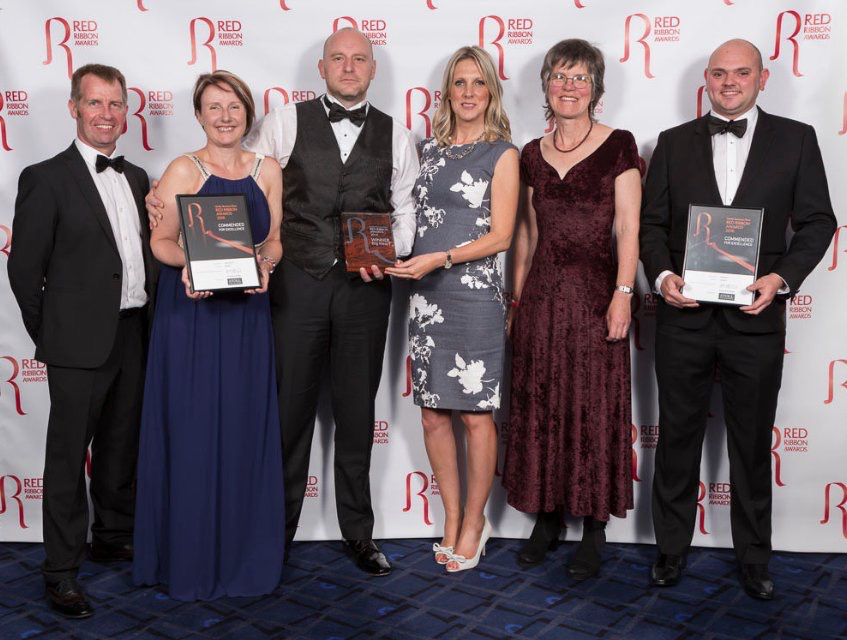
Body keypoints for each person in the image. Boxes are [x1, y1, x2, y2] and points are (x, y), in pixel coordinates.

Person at [148, 28, 419, 575]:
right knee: (288, 413)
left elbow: (404, 210)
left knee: (357, 414)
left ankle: (360, 534)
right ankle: (275, 529)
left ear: (373, 70)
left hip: (366, 292)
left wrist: (390, 254)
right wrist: (171, 209)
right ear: (321, 68)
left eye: (359, 60)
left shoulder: (398, 136)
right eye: (338, 59)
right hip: (294, 285)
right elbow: (239, 185)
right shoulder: (283, 121)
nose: (348, 67)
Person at [640, 39, 836, 600]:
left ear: (762, 77)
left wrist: (782, 279)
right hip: (684, 317)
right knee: (676, 438)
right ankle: (671, 551)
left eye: (741, 72)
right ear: (706, 78)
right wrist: (661, 277)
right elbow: (652, 227)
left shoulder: (797, 139)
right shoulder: (673, 145)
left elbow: (819, 222)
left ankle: (754, 557)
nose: (730, 82)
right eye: (720, 73)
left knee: (751, 444)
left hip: (757, 317)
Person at [7, 64, 155, 618]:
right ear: (74, 108)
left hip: (134, 332)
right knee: (69, 459)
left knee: (121, 447)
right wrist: (53, 336)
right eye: (96, 103)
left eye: (116, 104)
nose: (107, 114)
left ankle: (112, 535)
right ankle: (61, 569)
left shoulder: (138, 177)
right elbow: (24, 272)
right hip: (76, 345)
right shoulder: (45, 178)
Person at [132, 70, 285, 600]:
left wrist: (264, 263)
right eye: (214, 108)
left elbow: (274, 239)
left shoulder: (268, 169)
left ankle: (243, 555)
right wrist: (192, 267)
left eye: (234, 107)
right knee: (194, 431)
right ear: (198, 116)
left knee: (243, 429)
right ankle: (190, 558)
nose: (225, 117)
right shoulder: (182, 169)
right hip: (192, 319)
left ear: (247, 112)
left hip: (246, 318)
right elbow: (163, 242)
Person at [501, 39, 642, 580]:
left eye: (580, 77)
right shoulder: (530, 154)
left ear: (596, 88)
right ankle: (547, 517)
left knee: (592, 408)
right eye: (559, 76)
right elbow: (527, 238)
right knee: (541, 405)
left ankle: (594, 526)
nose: (568, 86)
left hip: (595, 295)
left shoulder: (619, 145)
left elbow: (628, 227)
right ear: (545, 86)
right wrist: (516, 302)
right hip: (541, 297)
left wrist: (623, 294)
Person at [386, 46, 518, 572]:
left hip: (476, 293)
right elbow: (399, 210)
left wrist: (437, 258)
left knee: (475, 415)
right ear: (447, 92)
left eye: (477, 83)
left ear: (491, 91)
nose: (467, 93)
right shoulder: (426, 149)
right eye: (459, 83)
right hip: (427, 296)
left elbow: (503, 234)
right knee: (434, 413)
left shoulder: (503, 153)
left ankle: (475, 521)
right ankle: (451, 514)